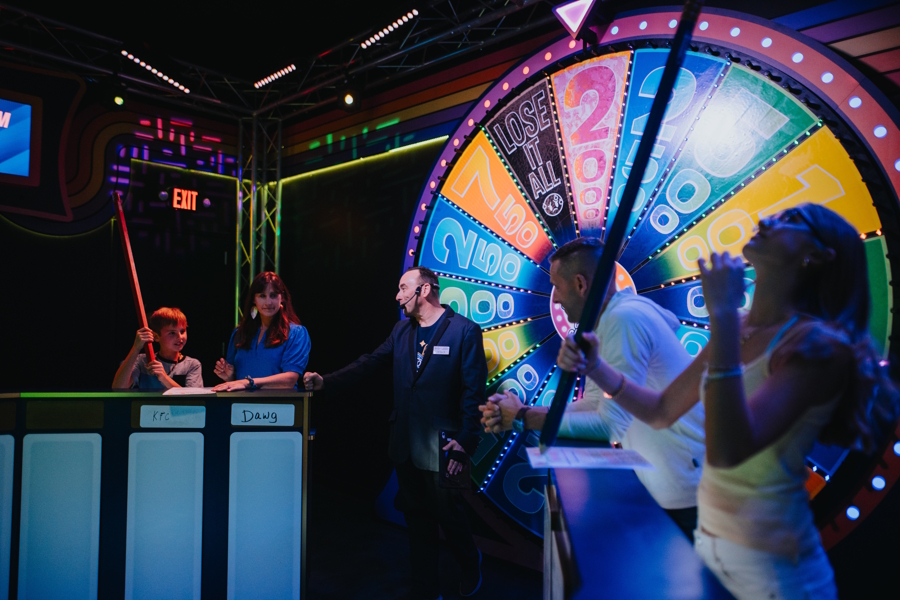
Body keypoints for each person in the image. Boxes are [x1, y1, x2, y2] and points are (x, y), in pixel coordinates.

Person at [555, 204, 899, 599]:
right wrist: (597, 368)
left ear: (815, 256)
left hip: (775, 572)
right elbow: (662, 411)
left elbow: (729, 448)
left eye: (791, 221)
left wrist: (720, 314)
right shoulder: (740, 324)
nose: (767, 219)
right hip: (716, 549)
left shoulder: (816, 346)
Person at [479, 237, 706, 539]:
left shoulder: (622, 320)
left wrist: (521, 417)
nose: (555, 300)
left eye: (556, 287)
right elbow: (596, 404)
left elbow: (609, 425)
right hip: (676, 482)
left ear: (581, 285)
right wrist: (522, 412)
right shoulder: (613, 319)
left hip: (687, 490)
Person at [303, 266, 485, 600]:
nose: (397, 295)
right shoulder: (401, 331)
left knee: (450, 515)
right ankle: (425, 590)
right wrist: (326, 382)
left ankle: (470, 561)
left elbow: (474, 392)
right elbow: (369, 363)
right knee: (417, 520)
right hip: (404, 442)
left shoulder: (464, 331)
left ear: (424, 290)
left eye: (403, 288)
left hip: (445, 446)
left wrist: (466, 441)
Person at [213, 271, 310, 391]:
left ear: (282, 298)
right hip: (242, 402)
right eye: (262, 296)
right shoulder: (240, 333)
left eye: (273, 295)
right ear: (254, 299)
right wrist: (230, 377)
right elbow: (237, 382)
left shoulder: (296, 333)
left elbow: (290, 380)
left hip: (279, 402)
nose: (268, 302)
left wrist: (249, 382)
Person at [112, 307, 203, 389]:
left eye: (182, 331)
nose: (180, 337)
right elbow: (118, 388)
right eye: (172, 333)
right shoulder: (141, 361)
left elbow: (194, 399)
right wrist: (136, 347)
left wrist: (164, 378)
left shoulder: (192, 365)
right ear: (156, 337)